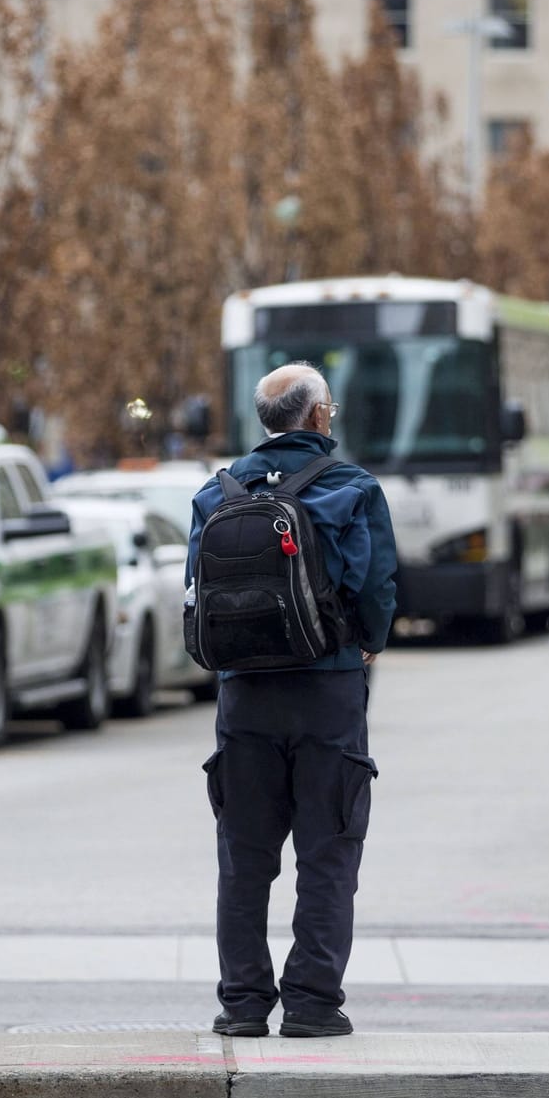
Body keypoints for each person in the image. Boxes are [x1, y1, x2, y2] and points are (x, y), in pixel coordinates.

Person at [187, 362, 397, 1039]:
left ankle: (243, 1005)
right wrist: (366, 643)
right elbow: (376, 588)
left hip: (244, 696)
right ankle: (311, 1004)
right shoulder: (352, 488)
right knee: (327, 854)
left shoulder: (216, 494)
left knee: (243, 861)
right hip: (326, 690)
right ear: (315, 417)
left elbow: (196, 596)